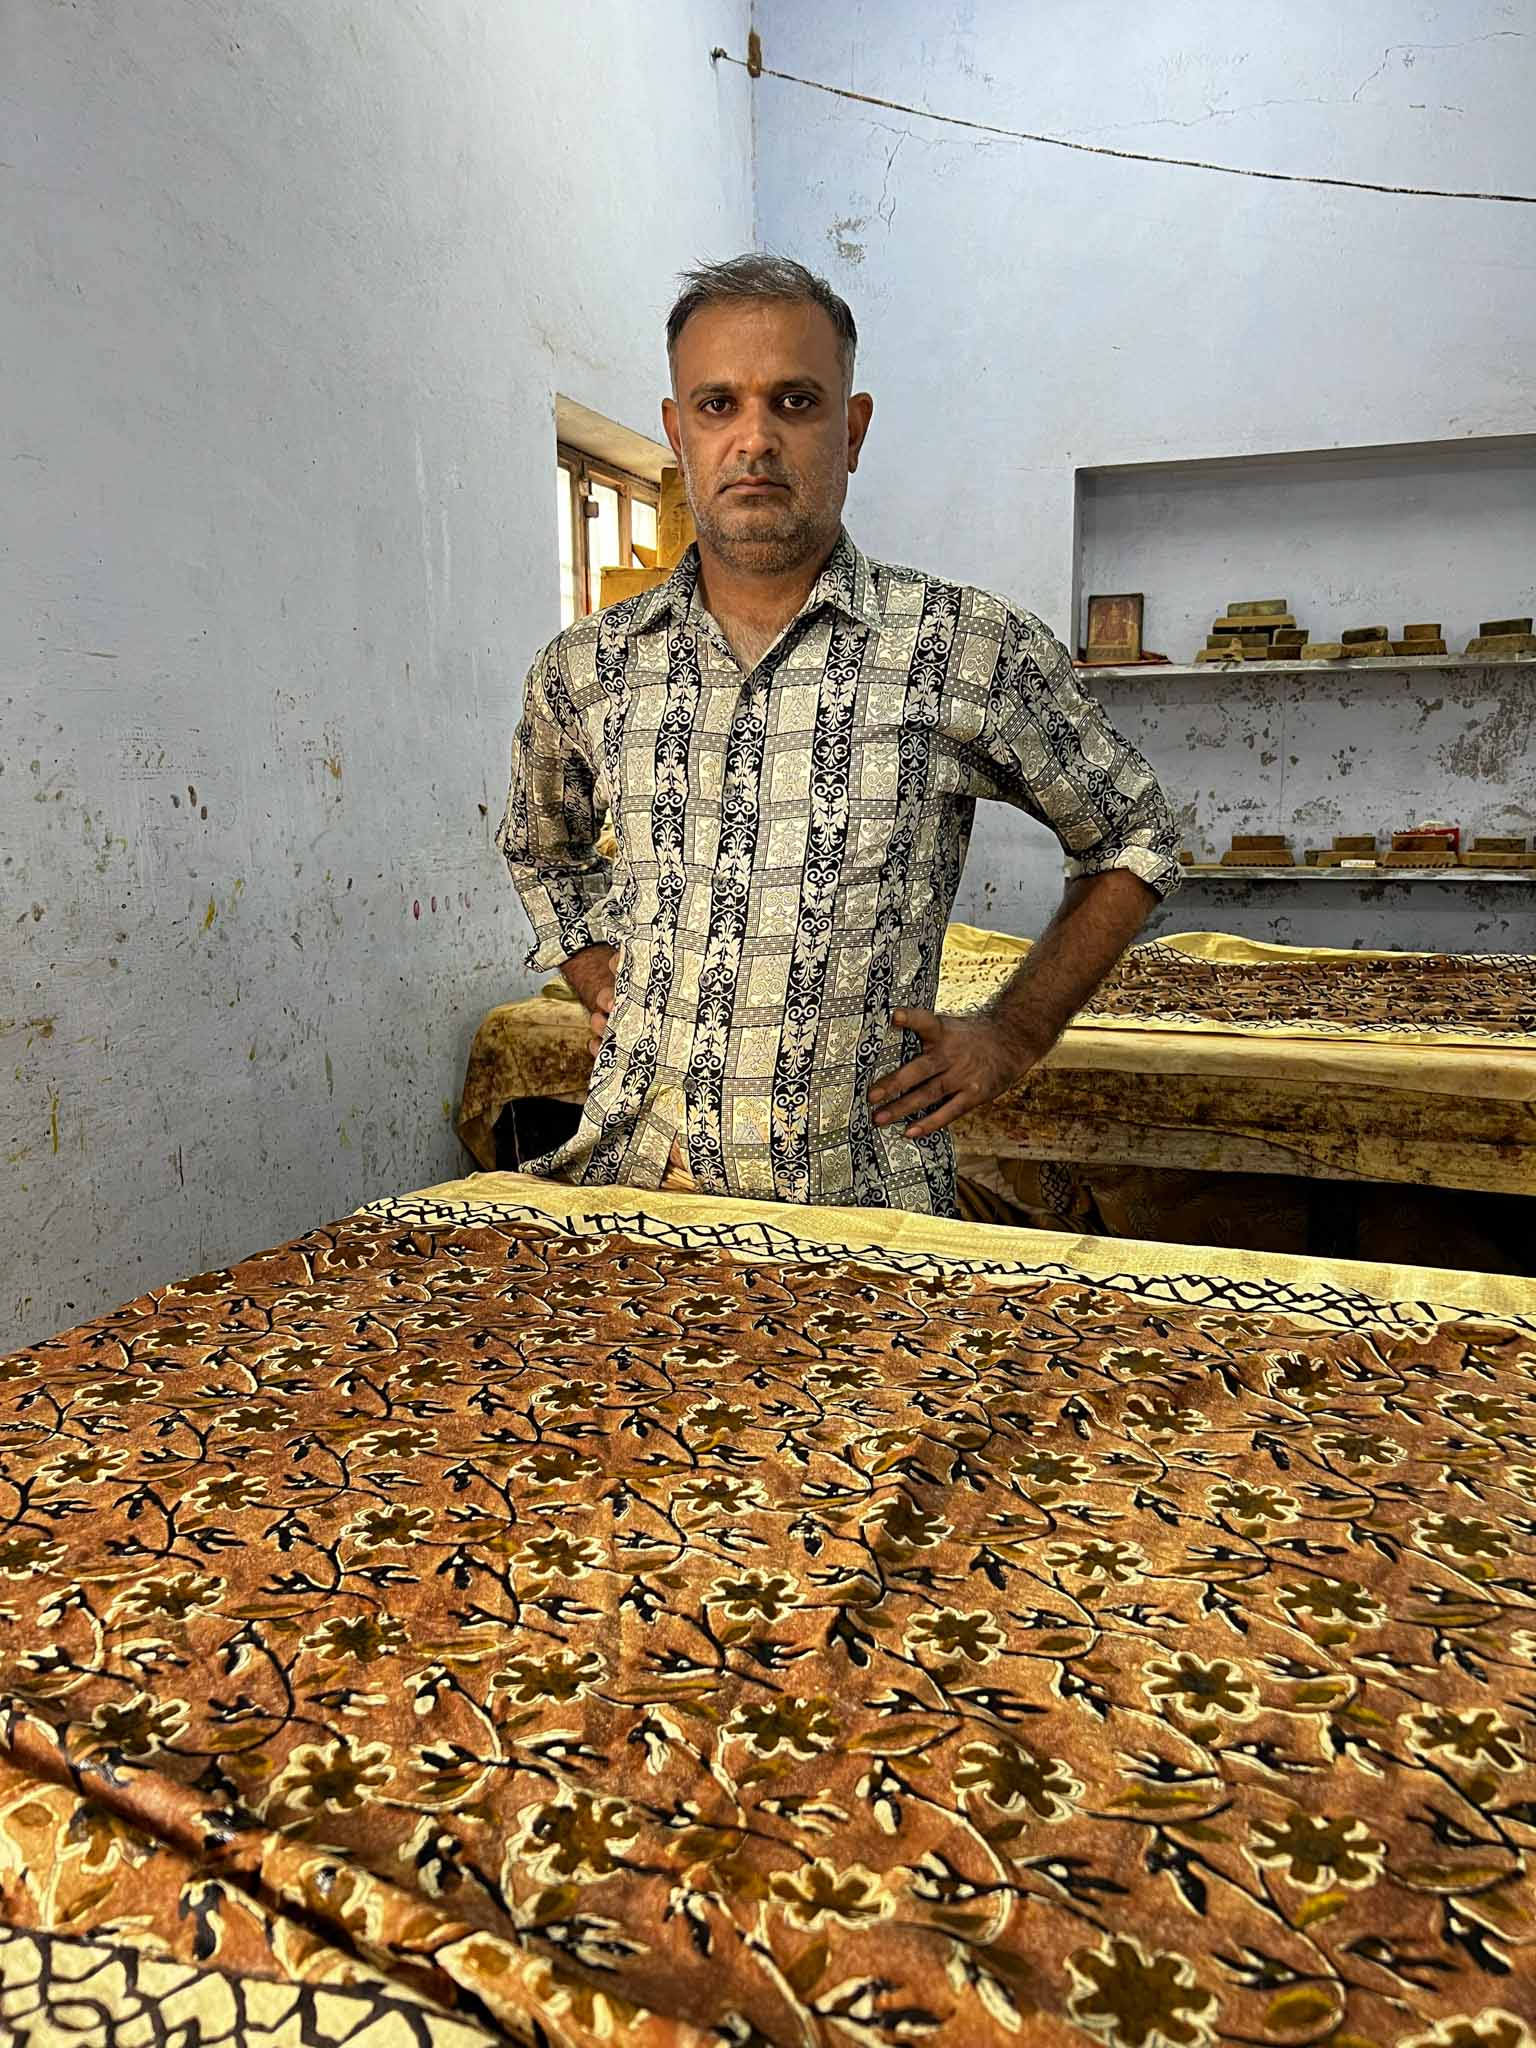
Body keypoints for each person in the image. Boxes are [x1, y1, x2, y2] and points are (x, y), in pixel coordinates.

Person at [499, 255, 1180, 1217]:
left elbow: (1134, 837)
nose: (754, 440)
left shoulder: (961, 647)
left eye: (795, 401)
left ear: (851, 429)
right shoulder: (588, 668)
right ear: (676, 432)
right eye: (718, 405)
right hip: (634, 1190)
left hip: (860, 1208)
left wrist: (1012, 1035)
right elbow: (540, 846)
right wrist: (590, 963)